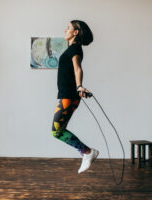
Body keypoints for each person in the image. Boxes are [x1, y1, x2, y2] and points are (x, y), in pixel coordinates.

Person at [51, 20, 99, 174]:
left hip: (69, 95)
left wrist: (79, 86)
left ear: (76, 32)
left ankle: (87, 152)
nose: (65, 30)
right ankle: (86, 152)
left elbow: (78, 69)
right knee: (58, 130)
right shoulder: (71, 48)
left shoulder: (75, 49)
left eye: (68, 28)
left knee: (57, 131)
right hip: (67, 95)